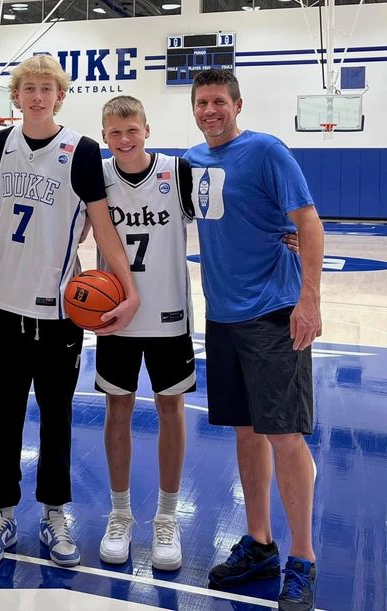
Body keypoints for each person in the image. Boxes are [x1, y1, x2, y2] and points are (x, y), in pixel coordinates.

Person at [0, 54, 140, 568]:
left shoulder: (83, 150)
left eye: (47, 88)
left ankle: (53, 513)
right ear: (16, 97)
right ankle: (0, 513)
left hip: (59, 314)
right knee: (2, 416)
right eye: (29, 88)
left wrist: (127, 288)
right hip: (2, 306)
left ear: (60, 95)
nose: (38, 96)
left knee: (56, 419)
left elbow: (102, 224)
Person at [183, 69, 323, 611]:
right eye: (202, 102)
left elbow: (308, 223)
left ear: (237, 105)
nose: (210, 110)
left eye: (219, 101)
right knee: (246, 433)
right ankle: (261, 543)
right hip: (222, 318)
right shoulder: (192, 161)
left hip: (272, 313)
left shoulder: (266, 150)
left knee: (285, 435)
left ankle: (303, 558)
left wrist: (308, 300)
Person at [92, 95, 195, 571]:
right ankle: (120, 514)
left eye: (132, 129)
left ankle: (167, 518)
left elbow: (230, 214)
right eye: (115, 133)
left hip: (169, 315)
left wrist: (284, 230)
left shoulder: (180, 172)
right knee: (118, 408)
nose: (124, 139)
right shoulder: (98, 178)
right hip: (116, 316)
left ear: (147, 129)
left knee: (171, 407)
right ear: (104, 136)